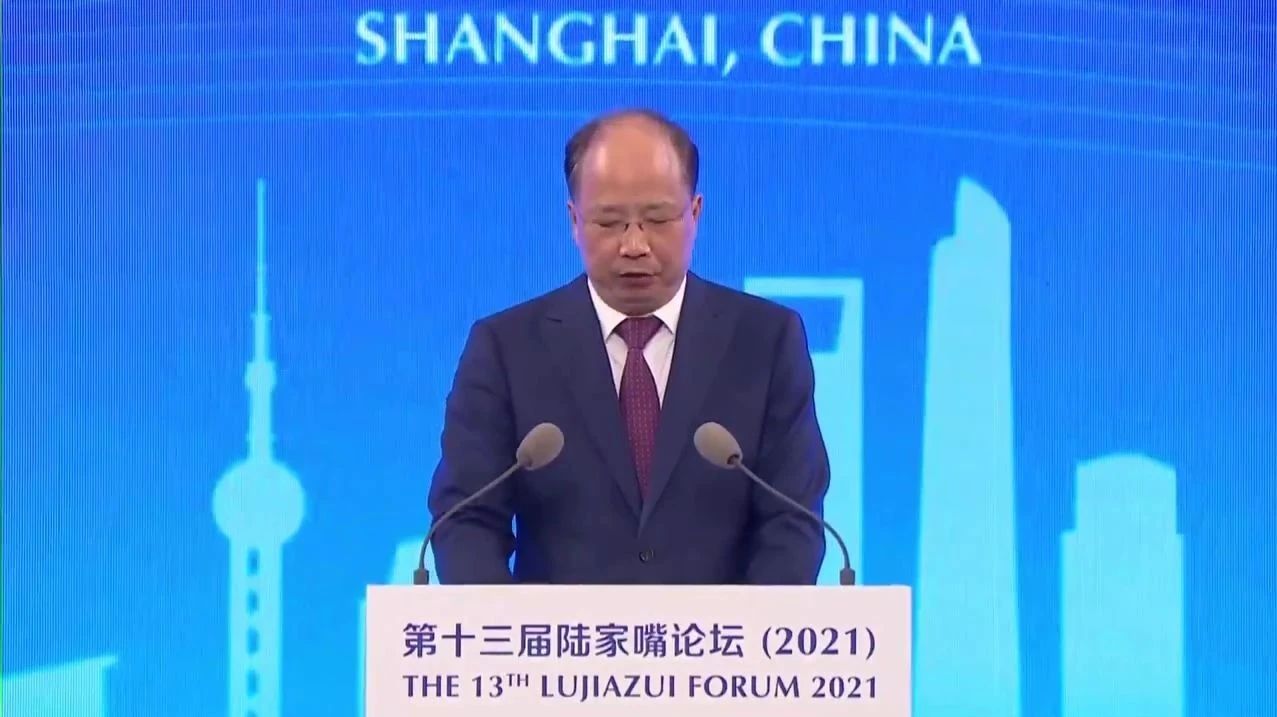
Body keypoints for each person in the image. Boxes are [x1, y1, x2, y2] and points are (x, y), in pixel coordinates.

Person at [427, 108, 831, 584]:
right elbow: (466, 519)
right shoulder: (506, 348)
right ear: (574, 220)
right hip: (558, 633)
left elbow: (792, 521)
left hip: (724, 633)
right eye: (609, 222)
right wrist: (502, 627)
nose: (634, 245)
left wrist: (750, 629)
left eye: (658, 219)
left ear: (695, 213)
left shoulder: (766, 340)